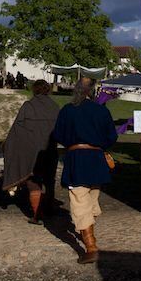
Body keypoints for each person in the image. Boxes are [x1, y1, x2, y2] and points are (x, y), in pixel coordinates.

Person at [52, 76, 117, 264]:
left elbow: (58, 134)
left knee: (80, 201)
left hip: (77, 160)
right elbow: (111, 136)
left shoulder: (67, 111)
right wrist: (97, 144)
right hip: (96, 160)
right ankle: (88, 232)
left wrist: (74, 142)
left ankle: (91, 247)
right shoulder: (101, 111)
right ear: (93, 90)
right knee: (90, 197)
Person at [1, 80, 61, 224]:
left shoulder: (28, 106)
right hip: (50, 150)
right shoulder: (55, 107)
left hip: (32, 152)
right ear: (47, 90)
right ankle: (50, 208)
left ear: (34, 90)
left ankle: (37, 214)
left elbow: (17, 130)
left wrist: (8, 145)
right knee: (49, 180)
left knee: (34, 182)